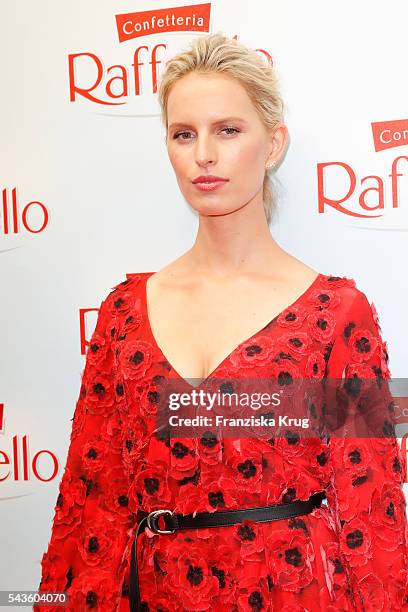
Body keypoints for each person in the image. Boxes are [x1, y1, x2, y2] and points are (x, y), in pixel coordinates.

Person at [35, 32, 408, 611]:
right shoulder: (123, 316)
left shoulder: (337, 316)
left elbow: (372, 507)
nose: (204, 155)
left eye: (228, 131)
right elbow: (93, 501)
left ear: (274, 143)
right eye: (184, 134)